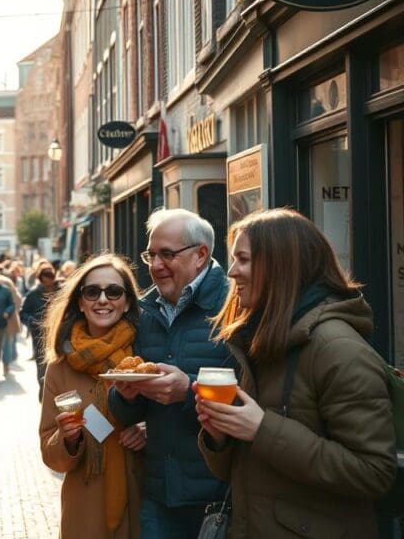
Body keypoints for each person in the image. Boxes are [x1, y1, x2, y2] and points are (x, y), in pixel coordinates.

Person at [195, 208, 397, 537]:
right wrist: (220, 436)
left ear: (281, 266)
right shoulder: (262, 343)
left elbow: (373, 474)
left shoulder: (338, 350)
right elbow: (243, 470)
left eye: (243, 260)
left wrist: (261, 428)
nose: (232, 272)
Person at [108, 208, 230, 538]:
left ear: (201, 255)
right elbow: (127, 412)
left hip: (220, 499)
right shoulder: (144, 311)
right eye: (151, 255)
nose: (156, 265)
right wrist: (125, 395)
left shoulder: (234, 307)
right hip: (160, 498)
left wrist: (188, 392)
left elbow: (255, 397)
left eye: (167, 254)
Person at [39, 253, 146, 538]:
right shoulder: (60, 367)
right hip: (85, 510)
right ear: (80, 302)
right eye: (91, 291)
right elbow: (51, 456)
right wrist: (68, 439)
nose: (102, 299)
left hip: (143, 502)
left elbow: (175, 421)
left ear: (126, 304)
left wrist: (148, 429)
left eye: (113, 291)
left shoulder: (146, 354)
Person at [20, 260, 60, 401]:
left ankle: (55, 393)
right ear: (40, 278)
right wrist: (32, 321)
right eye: (45, 278)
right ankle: (44, 393)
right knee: (42, 366)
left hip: (60, 335)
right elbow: (23, 313)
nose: (48, 282)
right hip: (40, 336)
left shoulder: (62, 291)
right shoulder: (33, 294)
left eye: (51, 277)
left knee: (58, 366)